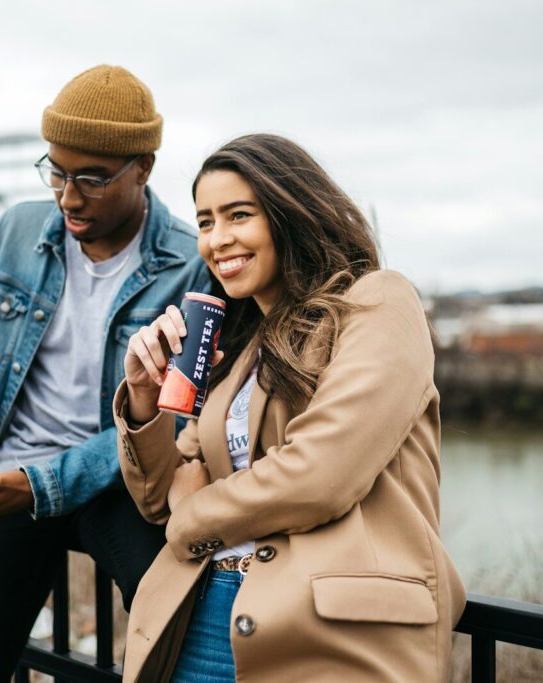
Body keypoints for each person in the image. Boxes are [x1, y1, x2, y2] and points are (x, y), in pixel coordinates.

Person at [115, 134, 466, 682]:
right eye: (205, 222)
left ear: (289, 212)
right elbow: (161, 494)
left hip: (329, 635)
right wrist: (142, 398)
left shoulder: (378, 303)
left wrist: (194, 516)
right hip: (202, 618)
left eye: (238, 215)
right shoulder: (243, 351)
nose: (217, 239)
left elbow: (321, 474)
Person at [0, 65, 210, 682]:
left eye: (92, 179)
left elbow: (177, 420)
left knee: (178, 643)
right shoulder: (17, 229)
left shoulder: (189, 264)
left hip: (121, 485)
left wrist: (42, 484)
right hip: (11, 477)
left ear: (143, 168)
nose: (68, 197)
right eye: (56, 171)